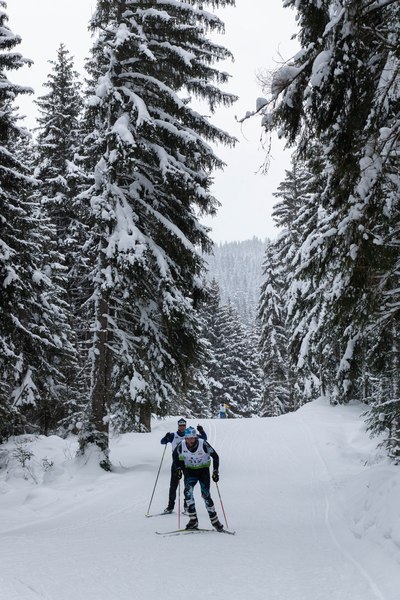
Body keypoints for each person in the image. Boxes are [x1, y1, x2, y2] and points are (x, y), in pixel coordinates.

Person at [172, 426, 223, 531]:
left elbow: (215, 456)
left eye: (192, 438)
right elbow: (175, 456)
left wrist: (215, 471)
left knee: (206, 495)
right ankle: (193, 520)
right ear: (185, 438)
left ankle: (215, 521)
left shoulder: (203, 444)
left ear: (196, 437)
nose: (190, 441)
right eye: (188, 438)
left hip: (203, 471)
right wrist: (178, 468)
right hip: (190, 471)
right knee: (188, 493)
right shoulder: (181, 445)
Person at [160, 419, 206, 514]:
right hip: (176, 463)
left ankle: (187, 506)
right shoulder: (173, 435)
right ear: (178, 426)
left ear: (185, 426)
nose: (182, 427)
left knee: (187, 486)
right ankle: (170, 507)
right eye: (180, 425)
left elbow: (204, 439)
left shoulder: (190, 435)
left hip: (187, 464)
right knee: (173, 486)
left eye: (183, 425)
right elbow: (162, 442)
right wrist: (166, 437)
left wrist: (201, 431)